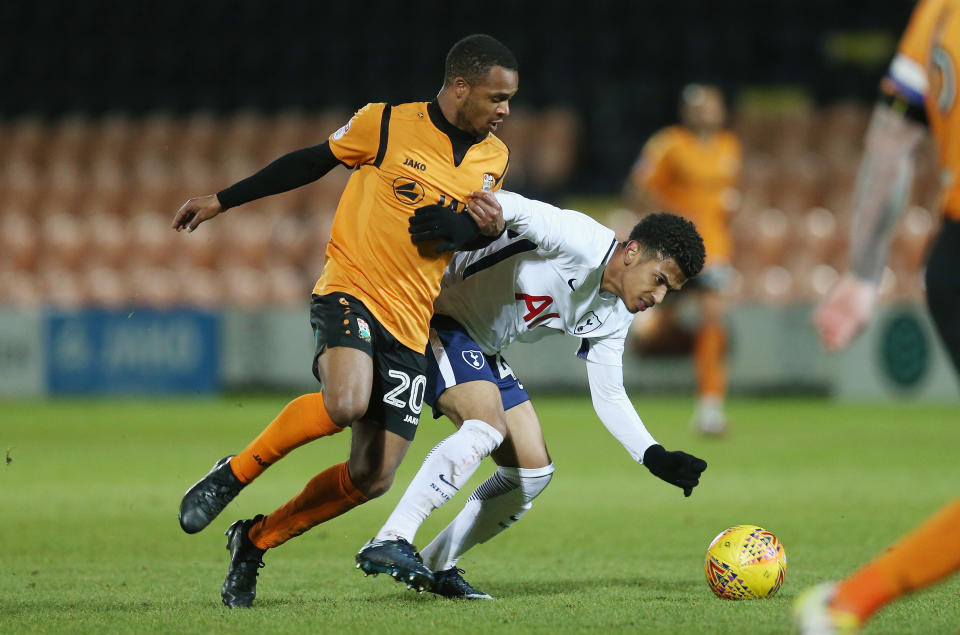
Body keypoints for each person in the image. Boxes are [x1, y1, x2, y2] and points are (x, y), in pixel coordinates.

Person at [171, 34, 519, 608]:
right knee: (346, 402)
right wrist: (223, 199)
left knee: (372, 477)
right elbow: (311, 160)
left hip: (412, 322)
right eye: (496, 98)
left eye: (509, 99)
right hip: (352, 288)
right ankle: (233, 473)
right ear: (461, 86)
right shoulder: (384, 123)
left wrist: (476, 230)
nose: (506, 111)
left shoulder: (494, 160)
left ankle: (254, 540)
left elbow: (471, 231)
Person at [354, 189, 709, 599]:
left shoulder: (615, 314)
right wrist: (467, 223)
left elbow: (610, 393)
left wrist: (652, 453)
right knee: (485, 427)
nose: (659, 297)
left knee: (531, 474)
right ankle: (392, 537)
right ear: (632, 252)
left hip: (481, 344)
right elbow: (520, 208)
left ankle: (436, 565)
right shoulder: (581, 240)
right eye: (659, 279)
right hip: (436, 316)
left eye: (670, 291)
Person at [796, 1, 960, 632]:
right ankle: (848, 604)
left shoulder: (937, 12)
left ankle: (847, 605)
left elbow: (891, 139)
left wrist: (864, 274)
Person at [627, 84, 742, 436]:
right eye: (698, 108)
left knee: (712, 317)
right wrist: (666, 225)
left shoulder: (729, 146)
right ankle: (640, 333)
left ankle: (710, 408)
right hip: (676, 249)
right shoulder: (668, 144)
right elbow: (638, 187)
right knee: (657, 321)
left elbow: (727, 198)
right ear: (686, 112)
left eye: (710, 106)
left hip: (716, 250)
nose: (705, 113)